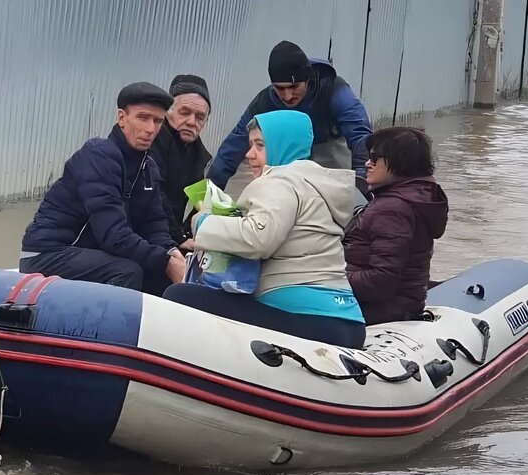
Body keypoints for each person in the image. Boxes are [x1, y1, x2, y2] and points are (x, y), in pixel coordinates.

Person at [164, 110, 366, 350]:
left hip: (304, 317)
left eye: (260, 145)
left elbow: (257, 238)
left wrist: (203, 223)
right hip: (348, 322)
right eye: (250, 145)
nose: (249, 154)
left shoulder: (279, 181)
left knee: (179, 295)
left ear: (282, 145)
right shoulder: (315, 184)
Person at [18, 83, 186, 296]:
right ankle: (108, 329)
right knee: (128, 271)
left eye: (158, 121)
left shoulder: (148, 168)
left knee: (160, 271)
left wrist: (171, 252)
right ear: (122, 118)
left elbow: (154, 225)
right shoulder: (99, 156)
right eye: (143, 118)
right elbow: (113, 235)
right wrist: (164, 261)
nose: (151, 129)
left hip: (91, 253)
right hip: (48, 253)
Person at [208, 40, 373, 192]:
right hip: (288, 155)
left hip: (328, 148)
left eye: (294, 86)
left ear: (307, 80)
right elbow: (232, 147)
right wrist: (208, 194)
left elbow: (360, 136)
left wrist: (361, 182)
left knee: (335, 192)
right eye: (280, 88)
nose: (287, 96)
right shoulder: (265, 101)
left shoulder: (334, 90)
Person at [343, 128, 448, 325]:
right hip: (404, 303)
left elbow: (381, 280)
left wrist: (325, 280)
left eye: (375, 158)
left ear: (400, 162)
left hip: (383, 309)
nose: (367, 163)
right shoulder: (417, 197)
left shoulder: (392, 209)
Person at [150, 74, 214, 248]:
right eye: (184, 112)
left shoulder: (200, 156)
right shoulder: (152, 140)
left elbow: (202, 202)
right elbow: (155, 194)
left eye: (200, 117)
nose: (192, 122)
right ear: (168, 111)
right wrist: (179, 238)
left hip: (169, 236)